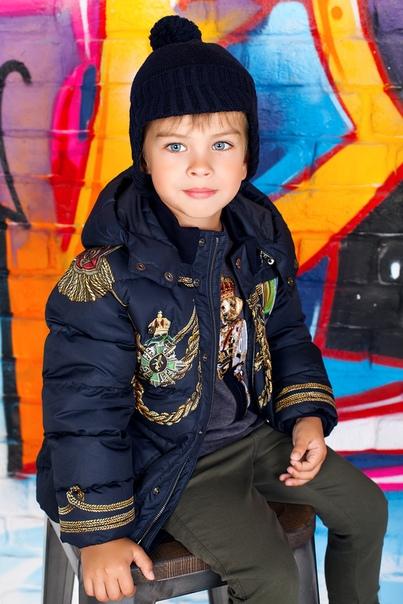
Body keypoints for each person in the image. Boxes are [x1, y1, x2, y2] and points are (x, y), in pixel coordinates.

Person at [35, 14, 388, 604]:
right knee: (272, 578)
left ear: (247, 157)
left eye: (222, 144)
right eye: (175, 145)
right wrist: (100, 534)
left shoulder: (257, 239)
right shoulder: (109, 276)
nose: (201, 166)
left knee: (367, 509)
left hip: (255, 437)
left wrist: (305, 414)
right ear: (144, 157)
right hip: (171, 462)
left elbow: (286, 334)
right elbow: (84, 410)